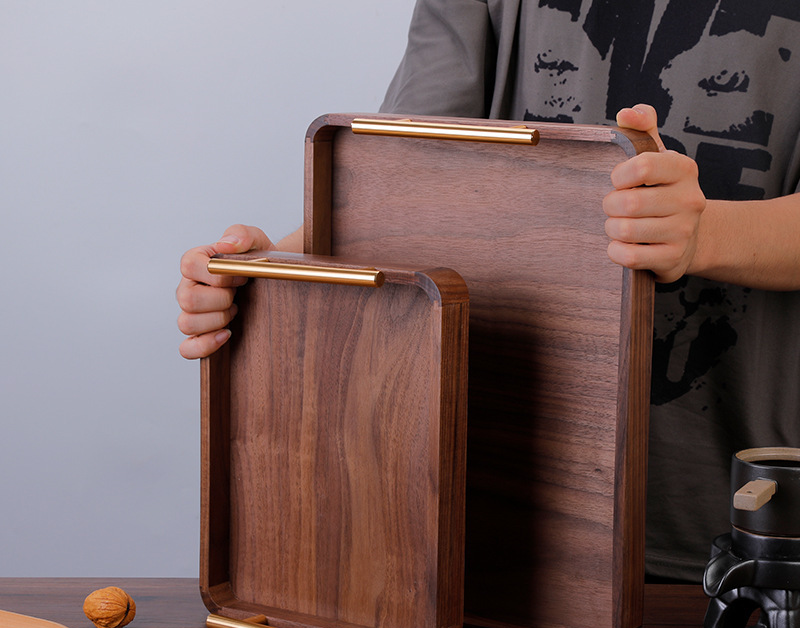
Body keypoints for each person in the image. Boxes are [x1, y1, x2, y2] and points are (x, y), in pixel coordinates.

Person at [177, 0, 800, 582]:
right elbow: (406, 165)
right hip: (483, 518)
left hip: (751, 532)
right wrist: (267, 271)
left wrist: (707, 234)